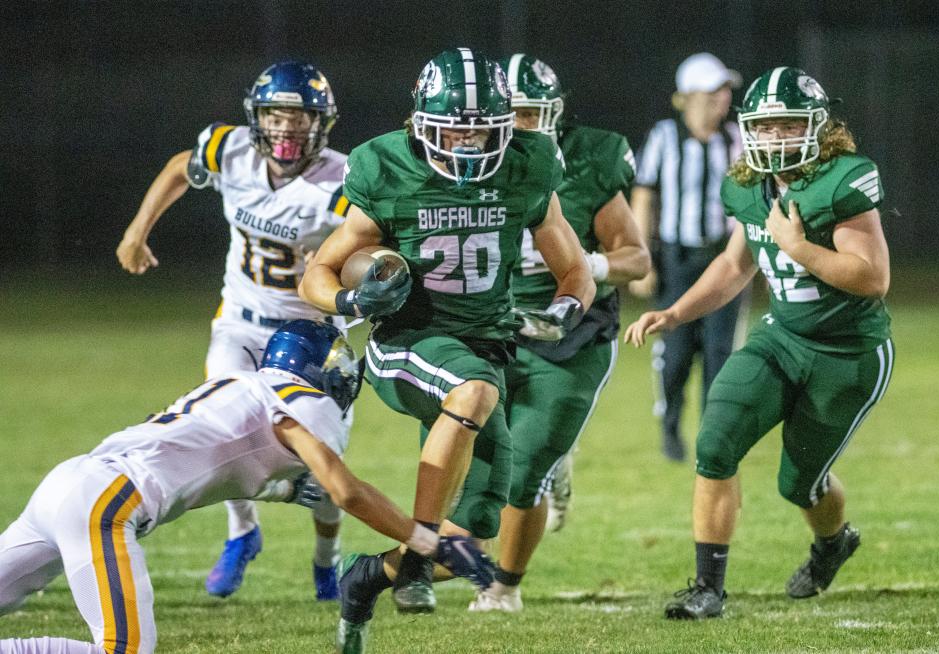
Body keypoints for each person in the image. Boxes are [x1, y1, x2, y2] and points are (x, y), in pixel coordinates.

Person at [298, 48, 595, 653]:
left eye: (479, 128)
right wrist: (352, 303)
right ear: (421, 124)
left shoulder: (528, 166)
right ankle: (424, 536)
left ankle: (370, 578)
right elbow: (318, 273)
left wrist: (562, 312)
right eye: (452, 128)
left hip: (487, 349)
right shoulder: (387, 166)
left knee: (475, 538)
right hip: (405, 345)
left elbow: (576, 269)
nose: (465, 142)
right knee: (473, 392)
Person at [0, 320, 494, 654]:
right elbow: (348, 493)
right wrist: (428, 540)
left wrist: (279, 491)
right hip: (101, 506)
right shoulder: (301, 404)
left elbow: (205, 456)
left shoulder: (237, 384)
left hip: (67, 484)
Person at [625, 67, 893, 619]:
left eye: (787, 125)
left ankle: (832, 542)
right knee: (716, 440)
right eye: (765, 126)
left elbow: (873, 278)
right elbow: (735, 264)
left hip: (848, 352)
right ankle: (707, 589)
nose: (775, 138)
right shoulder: (747, 184)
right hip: (784, 336)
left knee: (800, 484)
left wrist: (800, 249)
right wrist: (676, 312)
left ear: (817, 128)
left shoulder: (844, 178)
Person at [116, 61, 351, 600]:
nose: (287, 129)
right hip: (241, 324)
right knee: (220, 431)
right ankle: (242, 533)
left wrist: (346, 253)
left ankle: (326, 561)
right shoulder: (232, 149)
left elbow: (372, 239)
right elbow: (182, 166)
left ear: (322, 123)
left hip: (312, 333)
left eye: (300, 118)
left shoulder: (343, 178)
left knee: (324, 463)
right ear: (257, 116)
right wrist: (137, 230)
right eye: (276, 115)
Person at [466, 53, 650, 612]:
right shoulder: (464, 161)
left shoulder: (588, 159)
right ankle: (464, 564)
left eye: (534, 113)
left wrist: (590, 267)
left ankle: (504, 587)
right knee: (473, 462)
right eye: (514, 114)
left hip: (569, 333)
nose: (525, 126)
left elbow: (636, 259)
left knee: (523, 472)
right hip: (490, 326)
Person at [631, 52, 748, 462]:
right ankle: (670, 427)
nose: (724, 98)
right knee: (677, 352)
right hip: (677, 260)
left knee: (720, 353)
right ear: (691, 96)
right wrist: (641, 256)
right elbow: (644, 196)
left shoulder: (735, 138)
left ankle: (712, 435)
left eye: (725, 90)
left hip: (723, 258)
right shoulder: (664, 136)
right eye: (715, 90)